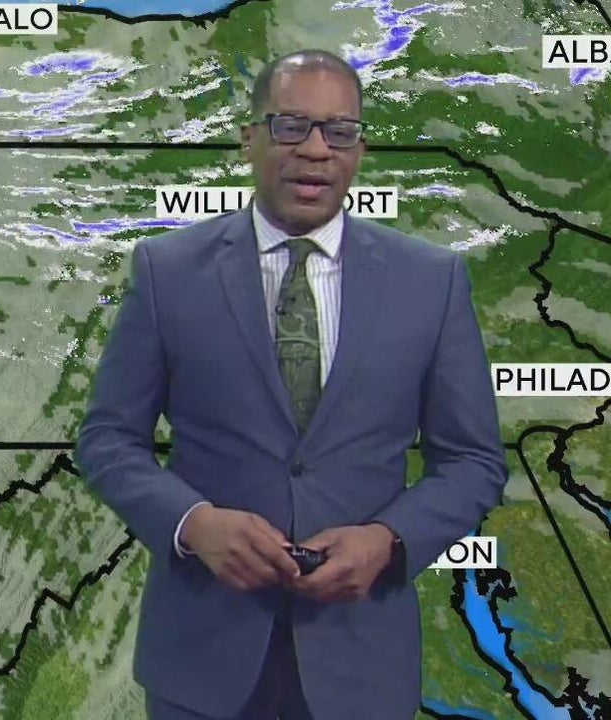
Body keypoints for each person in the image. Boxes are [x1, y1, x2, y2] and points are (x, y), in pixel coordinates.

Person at [74, 49, 508, 720]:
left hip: (360, 665)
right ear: (249, 138)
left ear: (359, 150)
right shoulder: (168, 271)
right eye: (291, 126)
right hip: (201, 660)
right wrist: (193, 524)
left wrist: (389, 541)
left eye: (339, 131)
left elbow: (474, 461)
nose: (315, 149)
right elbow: (107, 439)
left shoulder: (431, 283)